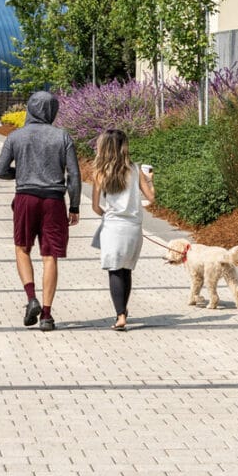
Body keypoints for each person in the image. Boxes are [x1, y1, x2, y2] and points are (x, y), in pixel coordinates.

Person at [0, 91, 81, 331]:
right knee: (49, 255)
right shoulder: (62, 136)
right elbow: (73, 174)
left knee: (22, 248)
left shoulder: (16, 137)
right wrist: (74, 205)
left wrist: (21, 174)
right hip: (53, 200)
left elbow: (0, 171)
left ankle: (31, 298)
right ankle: (46, 315)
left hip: (25, 198)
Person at [90, 129, 155, 331]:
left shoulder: (100, 172)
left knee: (115, 271)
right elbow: (151, 198)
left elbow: (95, 206)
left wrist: (107, 215)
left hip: (112, 227)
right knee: (126, 270)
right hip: (133, 227)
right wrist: (150, 179)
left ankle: (120, 315)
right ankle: (123, 310)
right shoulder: (135, 170)